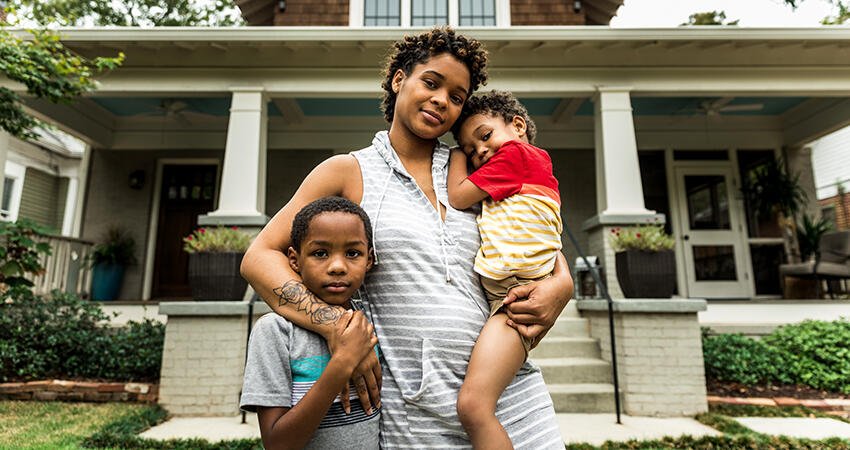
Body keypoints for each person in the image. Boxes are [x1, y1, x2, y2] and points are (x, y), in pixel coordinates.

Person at [241, 27, 573, 448]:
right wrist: (337, 325)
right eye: (431, 83)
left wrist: (562, 285)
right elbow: (259, 257)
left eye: (456, 97)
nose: (441, 100)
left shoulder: (477, 163)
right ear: (399, 79)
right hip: (415, 418)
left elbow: (535, 229)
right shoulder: (348, 171)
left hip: (514, 405)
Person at [447, 90, 564, 449]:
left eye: (484, 136)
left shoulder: (515, 154)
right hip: (516, 290)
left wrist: (453, 157)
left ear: (517, 126)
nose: (478, 152)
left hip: (515, 300)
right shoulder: (513, 180)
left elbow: (456, 196)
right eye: (469, 149)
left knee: (473, 406)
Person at [240, 196, 380, 450]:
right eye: (320, 253)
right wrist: (342, 364)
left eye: (352, 253)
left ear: (369, 260)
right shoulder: (275, 332)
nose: (337, 266)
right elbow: (277, 444)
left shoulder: (368, 322)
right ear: (294, 260)